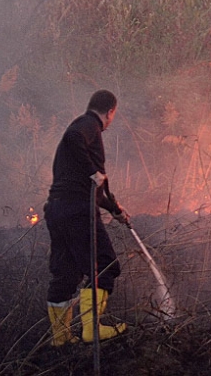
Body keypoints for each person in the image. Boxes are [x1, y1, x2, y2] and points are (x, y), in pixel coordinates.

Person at [44, 89, 130, 346]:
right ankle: (92, 330)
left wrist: (115, 209)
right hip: (77, 211)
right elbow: (73, 139)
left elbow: (95, 189)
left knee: (66, 273)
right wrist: (95, 172)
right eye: (114, 115)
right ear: (110, 111)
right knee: (104, 265)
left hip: (58, 209)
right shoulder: (87, 124)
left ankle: (61, 338)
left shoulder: (84, 128)